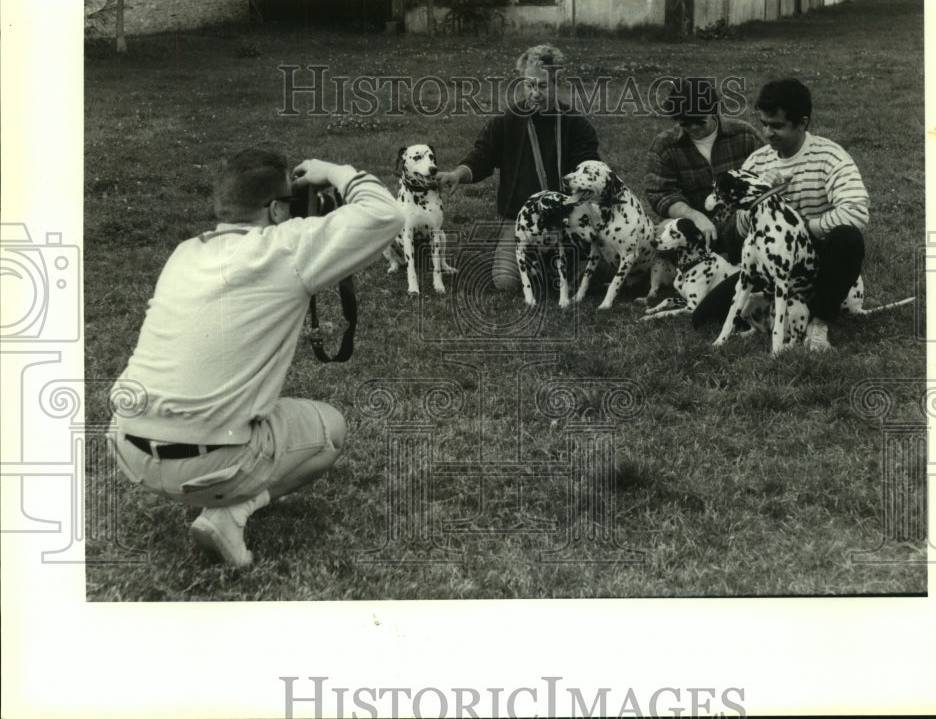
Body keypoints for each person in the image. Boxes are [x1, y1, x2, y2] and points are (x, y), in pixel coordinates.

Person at [106, 148, 404, 567]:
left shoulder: (183, 252)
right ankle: (231, 512)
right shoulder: (286, 248)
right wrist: (334, 172)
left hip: (128, 447)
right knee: (330, 428)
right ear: (279, 210)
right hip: (211, 465)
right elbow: (386, 214)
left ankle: (224, 505)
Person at [692, 77, 870, 351]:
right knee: (702, 319)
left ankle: (818, 324)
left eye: (777, 126)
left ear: (802, 123)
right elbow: (739, 231)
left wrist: (802, 229)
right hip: (771, 265)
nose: (767, 133)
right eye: (763, 124)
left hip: (818, 262)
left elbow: (856, 212)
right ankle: (779, 312)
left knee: (848, 238)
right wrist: (758, 198)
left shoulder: (830, 157)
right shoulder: (758, 161)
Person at [436, 44, 601, 290]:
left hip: (566, 219)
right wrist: (458, 174)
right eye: (529, 85)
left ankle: (559, 261)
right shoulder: (508, 121)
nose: (535, 93)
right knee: (505, 282)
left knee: (590, 275)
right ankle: (542, 262)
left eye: (543, 86)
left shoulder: (577, 125)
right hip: (520, 218)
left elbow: (590, 169)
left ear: (558, 84)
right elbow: (483, 155)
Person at [645, 77, 764, 263]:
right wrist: (693, 216)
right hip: (694, 226)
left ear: (714, 111)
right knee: (660, 233)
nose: (693, 128)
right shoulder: (664, 145)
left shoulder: (745, 135)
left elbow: (766, 178)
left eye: (700, 121)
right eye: (685, 123)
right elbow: (660, 193)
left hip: (742, 224)